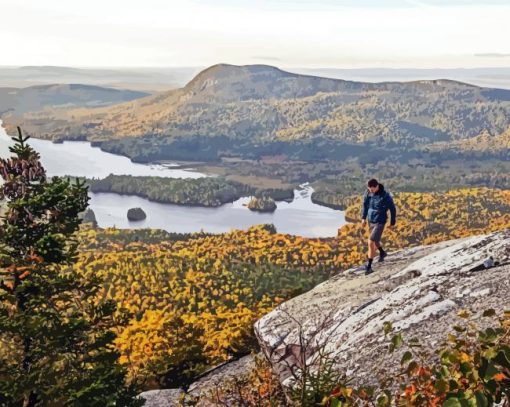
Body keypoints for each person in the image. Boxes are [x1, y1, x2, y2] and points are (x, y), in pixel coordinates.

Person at [360, 178, 396, 275]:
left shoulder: (385, 196)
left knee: (370, 242)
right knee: (375, 241)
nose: (370, 191)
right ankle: (382, 252)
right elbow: (365, 205)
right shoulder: (368, 193)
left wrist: (392, 223)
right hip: (371, 220)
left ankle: (369, 266)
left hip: (380, 221)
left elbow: (393, 209)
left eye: (372, 189)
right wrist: (363, 218)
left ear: (377, 186)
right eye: (369, 189)